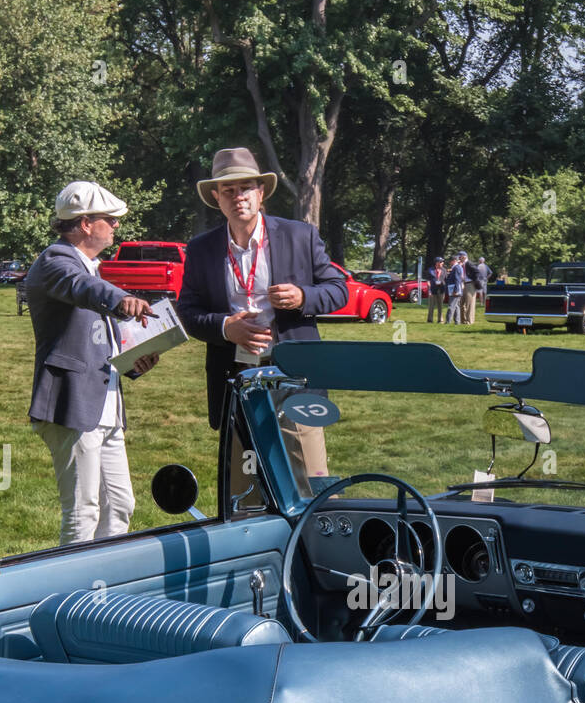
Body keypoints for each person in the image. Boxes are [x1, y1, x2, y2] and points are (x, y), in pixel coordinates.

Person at [177, 146, 347, 502]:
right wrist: (226, 328)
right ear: (216, 197)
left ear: (261, 192)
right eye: (229, 190)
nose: (238, 197)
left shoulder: (300, 235)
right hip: (237, 376)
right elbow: (188, 312)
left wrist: (303, 297)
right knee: (246, 482)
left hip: (295, 375)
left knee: (310, 478)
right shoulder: (201, 249)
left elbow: (338, 290)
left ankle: (318, 548)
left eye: (246, 188)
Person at [25, 180, 160, 545]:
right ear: (86, 223)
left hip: (105, 406)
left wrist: (133, 363)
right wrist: (123, 298)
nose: (115, 226)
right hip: (73, 404)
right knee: (83, 511)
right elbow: (84, 291)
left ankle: (105, 592)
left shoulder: (87, 267)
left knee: (119, 505)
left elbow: (96, 333)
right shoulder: (56, 260)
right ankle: (74, 597)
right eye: (110, 219)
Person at [443, 253, 466, 323]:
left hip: (455, 289)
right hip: (454, 288)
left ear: (454, 261)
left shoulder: (456, 268)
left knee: (451, 305)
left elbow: (457, 280)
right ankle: (457, 321)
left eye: (450, 261)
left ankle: (448, 321)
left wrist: (455, 290)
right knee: (456, 306)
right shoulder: (455, 268)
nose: (449, 262)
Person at [458, 251, 479, 325]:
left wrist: (474, 280)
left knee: (469, 303)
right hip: (463, 284)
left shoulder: (469, 263)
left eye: (460, 256)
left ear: (464, 256)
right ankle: (462, 320)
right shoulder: (462, 264)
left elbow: (477, 272)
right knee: (461, 303)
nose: (459, 258)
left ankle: (469, 321)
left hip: (470, 284)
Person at [426, 256, 446, 323]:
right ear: (437, 263)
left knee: (440, 305)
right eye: (441, 262)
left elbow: (446, 280)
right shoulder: (430, 270)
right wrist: (429, 290)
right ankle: (430, 319)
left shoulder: (444, 270)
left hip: (441, 290)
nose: (442, 263)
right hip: (432, 290)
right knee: (431, 306)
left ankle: (440, 320)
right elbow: (428, 281)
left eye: (442, 262)